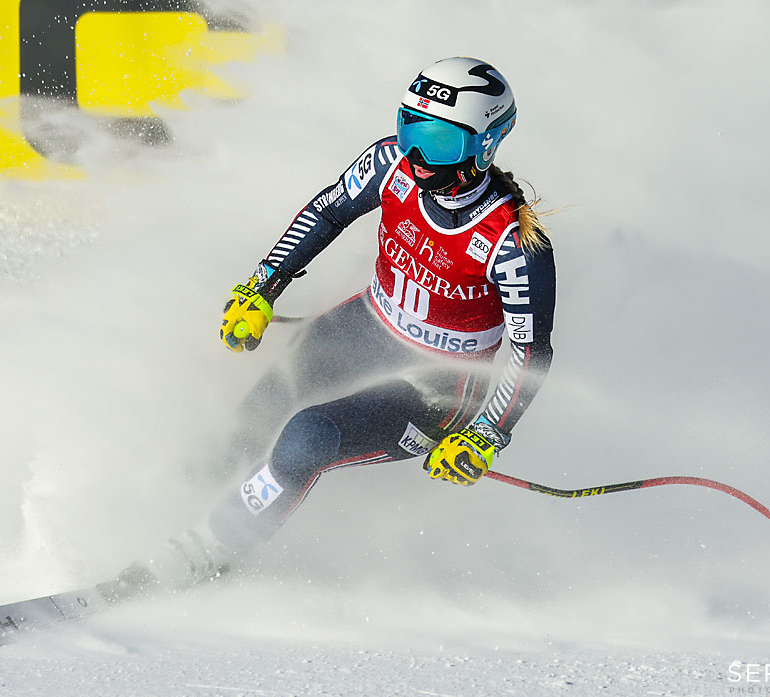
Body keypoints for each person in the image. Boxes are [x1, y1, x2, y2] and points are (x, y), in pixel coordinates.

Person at [100, 57, 556, 600]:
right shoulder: (391, 165)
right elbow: (327, 212)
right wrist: (261, 288)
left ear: (484, 145)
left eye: (435, 141)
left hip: (435, 387)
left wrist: (486, 434)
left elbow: (530, 353)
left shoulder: (512, 241)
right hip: (368, 325)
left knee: (307, 436)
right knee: (260, 408)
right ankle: (155, 509)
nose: (414, 154)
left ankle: (212, 550)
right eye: (409, 126)